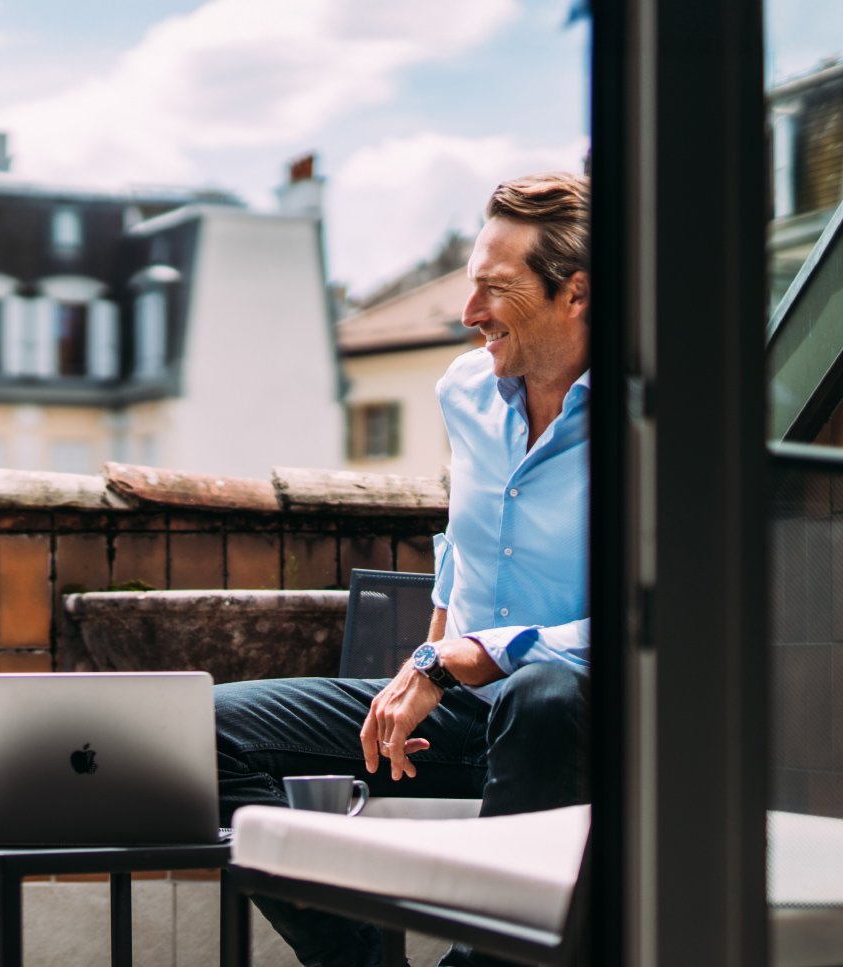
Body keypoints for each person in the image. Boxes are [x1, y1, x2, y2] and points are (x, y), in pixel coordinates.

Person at [215, 172, 591, 967]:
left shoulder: (654, 415)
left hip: (582, 725)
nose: (468, 314)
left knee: (542, 690)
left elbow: (656, 616)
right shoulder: (467, 392)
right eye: (469, 287)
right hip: (466, 706)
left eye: (493, 288)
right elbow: (463, 548)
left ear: (576, 295)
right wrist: (421, 665)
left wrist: (467, 657)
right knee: (205, 731)